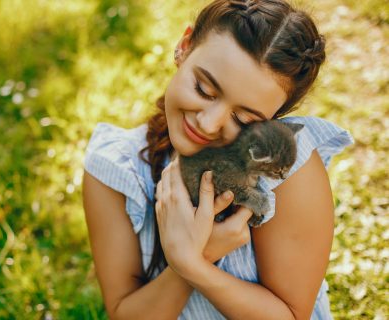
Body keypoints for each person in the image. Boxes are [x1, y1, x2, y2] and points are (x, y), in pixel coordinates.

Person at [82, 0, 354, 319]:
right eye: (204, 89)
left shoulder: (285, 169)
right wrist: (198, 254)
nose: (209, 124)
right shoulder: (116, 170)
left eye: (244, 119)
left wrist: (192, 264)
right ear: (184, 46)